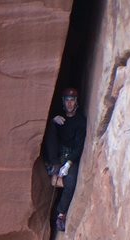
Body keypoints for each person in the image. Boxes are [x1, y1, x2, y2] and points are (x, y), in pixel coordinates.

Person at [43, 87, 86, 231]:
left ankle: (61, 214)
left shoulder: (80, 121)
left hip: (70, 158)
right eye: (67, 100)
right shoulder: (60, 118)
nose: (69, 104)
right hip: (57, 155)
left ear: (76, 102)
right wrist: (52, 120)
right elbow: (51, 139)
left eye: (72, 100)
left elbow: (79, 147)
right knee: (51, 126)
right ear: (63, 102)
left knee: (71, 183)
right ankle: (52, 165)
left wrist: (68, 164)